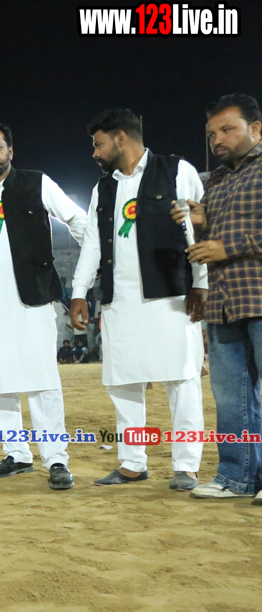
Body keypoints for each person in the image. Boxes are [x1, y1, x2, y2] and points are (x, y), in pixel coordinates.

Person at [71, 108, 206, 491]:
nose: (95, 152)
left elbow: (200, 229)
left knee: (181, 379)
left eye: (98, 144)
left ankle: (186, 466)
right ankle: (132, 463)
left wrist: (202, 283)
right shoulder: (104, 188)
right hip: (119, 301)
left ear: (120, 138)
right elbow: (93, 244)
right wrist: (79, 292)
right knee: (123, 382)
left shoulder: (177, 170)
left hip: (171, 295)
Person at [0, 121, 87, 491]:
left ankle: (56, 458)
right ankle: (16, 454)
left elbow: (77, 220)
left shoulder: (38, 183)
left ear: (10, 152)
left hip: (33, 298)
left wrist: (89, 269)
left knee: (42, 379)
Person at [173, 94, 262, 503]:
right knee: (231, 398)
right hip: (224, 303)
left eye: (227, 129)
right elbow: (212, 235)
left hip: (258, 296)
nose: (218, 140)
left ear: (255, 128)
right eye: (212, 134)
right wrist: (200, 221)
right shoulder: (217, 181)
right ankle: (236, 477)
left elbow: (229, 243)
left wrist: (228, 247)